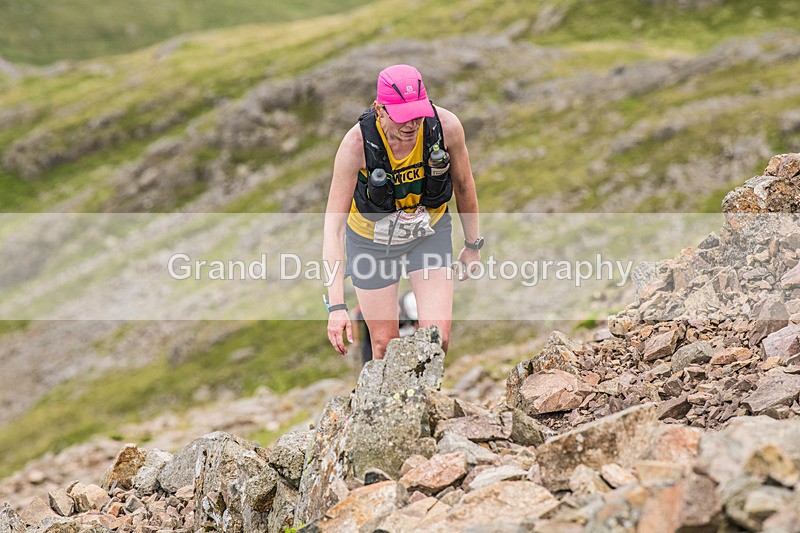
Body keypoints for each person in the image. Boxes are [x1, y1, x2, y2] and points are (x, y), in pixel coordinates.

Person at [323, 64, 483, 360]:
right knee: (385, 346)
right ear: (379, 109)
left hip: (427, 235)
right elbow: (333, 227)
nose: (412, 125)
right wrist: (336, 306)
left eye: (418, 114)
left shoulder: (445, 127)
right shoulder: (356, 145)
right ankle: (390, 407)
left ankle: (423, 403)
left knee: (437, 339)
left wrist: (472, 245)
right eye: (402, 117)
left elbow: (463, 186)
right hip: (371, 242)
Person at [352, 291, 420, 366]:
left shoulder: (410, 308)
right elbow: (356, 316)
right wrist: (356, 340)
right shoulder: (378, 309)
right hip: (372, 340)